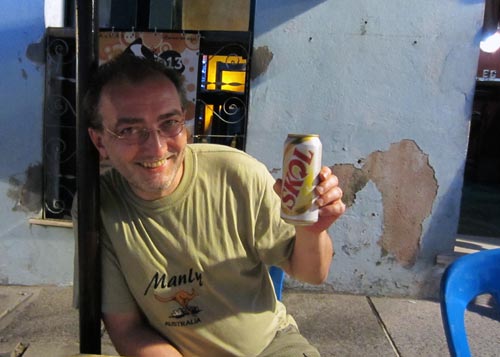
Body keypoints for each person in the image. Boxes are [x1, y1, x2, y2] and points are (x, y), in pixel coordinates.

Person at [75, 54, 346, 357]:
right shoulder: (98, 206)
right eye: (129, 130)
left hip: (270, 348)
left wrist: (313, 231)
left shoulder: (237, 174)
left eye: (170, 123)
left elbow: (311, 273)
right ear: (99, 142)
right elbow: (127, 328)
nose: (156, 147)